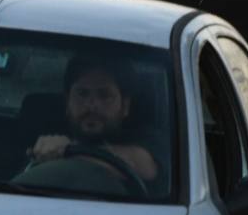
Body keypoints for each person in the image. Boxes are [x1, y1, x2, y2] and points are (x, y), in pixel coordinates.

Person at [26, 57, 158, 185]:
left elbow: (142, 165)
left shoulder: (150, 139)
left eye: (104, 95)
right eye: (82, 94)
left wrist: (67, 151)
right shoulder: (40, 133)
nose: (91, 105)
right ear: (67, 102)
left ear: (125, 106)